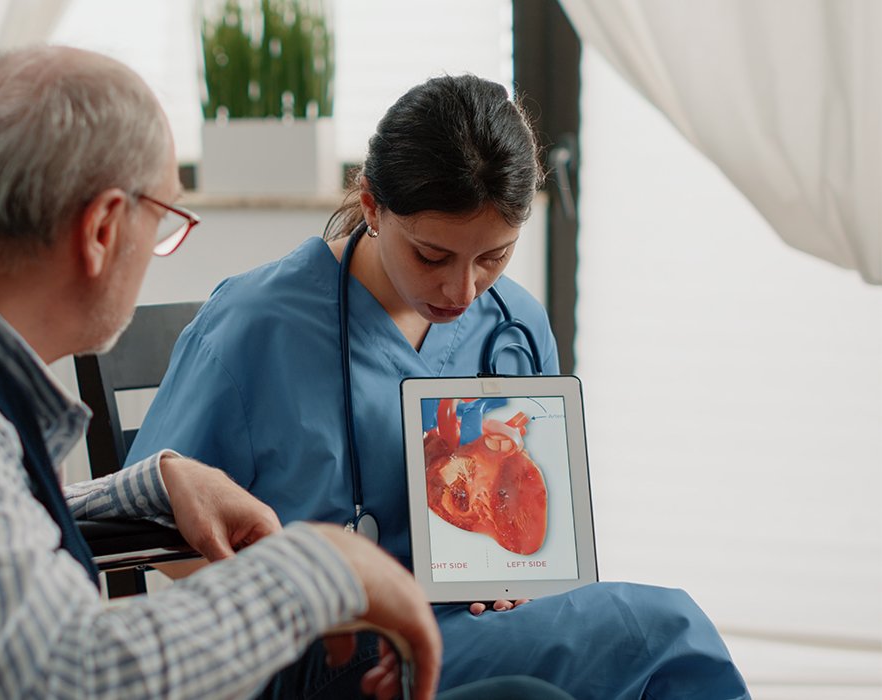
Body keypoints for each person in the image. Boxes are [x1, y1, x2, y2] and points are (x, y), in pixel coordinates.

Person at [0, 47, 582, 700]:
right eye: (165, 221)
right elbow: (64, 676)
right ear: (100, 229)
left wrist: (147, 488)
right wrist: (322, 568)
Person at [127, 73, 752, 700]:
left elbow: (536, 538)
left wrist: (516, 579)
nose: (463, 291)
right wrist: (312, 596)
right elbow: (155, 530)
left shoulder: (517, 325)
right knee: (665, 632)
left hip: (473, 639)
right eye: (433, 257)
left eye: (494, 258)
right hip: (328, 653)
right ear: (371, 205)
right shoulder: (255, 324)